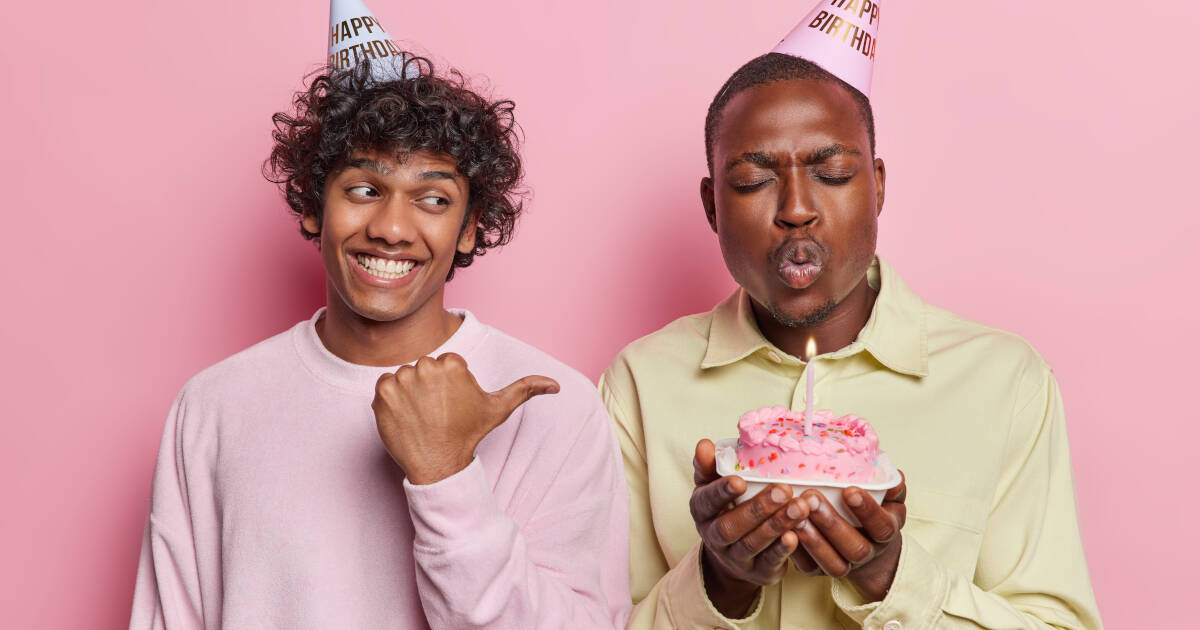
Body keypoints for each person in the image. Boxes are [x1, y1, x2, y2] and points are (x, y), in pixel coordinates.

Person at [129, 49, 630, 630]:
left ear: (468, 228)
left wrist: (446, 477)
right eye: (364, 190)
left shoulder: (553, 408)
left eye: (434, 199)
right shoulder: (213, 406)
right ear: (316, 207)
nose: (391, 228)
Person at [601, 50, 1103, 629]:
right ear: (712, 205)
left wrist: (890, 580)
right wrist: (720, 583)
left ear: (878, 186)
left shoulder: (1005, 381)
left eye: (832, 174)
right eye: (752, 181)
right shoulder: (641, 382)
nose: (795, 210)